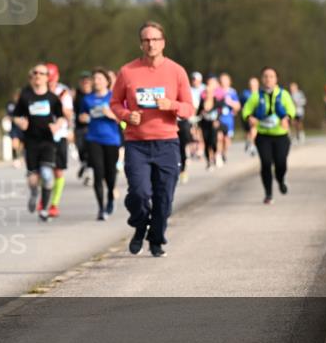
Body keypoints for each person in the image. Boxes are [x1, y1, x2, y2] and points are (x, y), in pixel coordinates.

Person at [110, 22, 194, 257]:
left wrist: (172, 106)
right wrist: (127, 115)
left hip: (167, 143)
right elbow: (114, 103)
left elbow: (189, 108)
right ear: (141, 44)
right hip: (137, 143)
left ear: (163, 43)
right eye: (146, 40)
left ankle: (156, 240)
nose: (151, 44)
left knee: (164, 197)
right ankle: (140, 224)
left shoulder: (176, 71)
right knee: (138, 193)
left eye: (155, 39)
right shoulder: (127, 71)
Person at [12, 64, 70, 222]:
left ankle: (44, 208)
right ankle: (33, 193)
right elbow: (16, 115)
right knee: (33, 178)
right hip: (30, 141)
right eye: (35, 73)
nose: (37, 76)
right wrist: (20, 122)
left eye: (41, 73)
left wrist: (57, 125)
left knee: (46, 174)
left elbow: (61, 116)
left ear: (46, 77)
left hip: (47, 141)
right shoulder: (25, 96)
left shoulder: (52, 98)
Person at [241, 67, 296, 204]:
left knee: (281, 164)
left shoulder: (283, 95)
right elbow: (246, 110)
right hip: (263, 136)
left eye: (271, 76)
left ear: (276, 79)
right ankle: (268, 194)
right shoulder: (256, 96)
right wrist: (249, 117)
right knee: (265, 163)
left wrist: (286, 118)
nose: (268, 79)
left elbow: (291, 109)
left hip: (281, 136)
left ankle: (281, 180)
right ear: (262, 79)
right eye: (265, 76)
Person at [77, 67, 122, 219]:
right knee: (98, 173)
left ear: (107, 81)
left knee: (110, 174)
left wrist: (110, 114)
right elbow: (82, 116)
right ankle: (101, 208)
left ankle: (110, 198)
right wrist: (82, 118)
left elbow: (122, 119)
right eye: (94, 79)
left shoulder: (114, 97)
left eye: (100, 79)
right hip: (93, 139)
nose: (96, 81)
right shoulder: (87, 99)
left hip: (111, 139)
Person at [44, 62, 75, 218]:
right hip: (42, 135)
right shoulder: (36, 92)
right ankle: (44, 198)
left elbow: (69, 115)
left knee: (58, 171)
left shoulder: (63, 93)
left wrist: (56, 101)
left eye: (51, 79)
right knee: (43, 168)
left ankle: (54, 204)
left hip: (59, 135)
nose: (49, 82)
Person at [73, 71, 94, 186]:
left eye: (88, 80)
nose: (85, 83)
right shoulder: (75, 94)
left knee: (90, 151)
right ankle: (84, 165)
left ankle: (88, 173)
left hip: (93, 128)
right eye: (83, 81)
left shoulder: (95, 94)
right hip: (79, 128)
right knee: (81, 150)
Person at [216, 73, 241, 165]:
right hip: (219, 118)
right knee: (219, 137)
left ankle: (223, 153)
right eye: (222, 79)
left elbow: (238, 106)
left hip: (228, 119)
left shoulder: (232, 92)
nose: (223, 82)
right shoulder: (217, 91)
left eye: (225, 80)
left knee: (226, 139)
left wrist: (230, 102)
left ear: (229, 81)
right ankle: (218, 155)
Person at [198, 76, 221, 170]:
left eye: (210, 92)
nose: (208, 94)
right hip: (204, 125)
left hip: (213, 125)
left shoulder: (216, 101)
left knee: (213, 142)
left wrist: (217, 120)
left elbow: (220, 112)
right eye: (206, 92)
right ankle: (208, 161)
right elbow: (198, 113)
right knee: (206, 143)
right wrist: (201, 113)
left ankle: (215, 155)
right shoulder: (202, 101)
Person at [241, 77, 259, 156]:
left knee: (253, 129)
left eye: (254, 84)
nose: (253, 86)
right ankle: (249, 142)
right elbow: (241, 105)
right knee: (248, 132)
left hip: (257, 115)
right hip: (248, 115)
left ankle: (253, 145)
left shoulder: (261, 93)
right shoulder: (245, 93)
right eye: (251, 84)